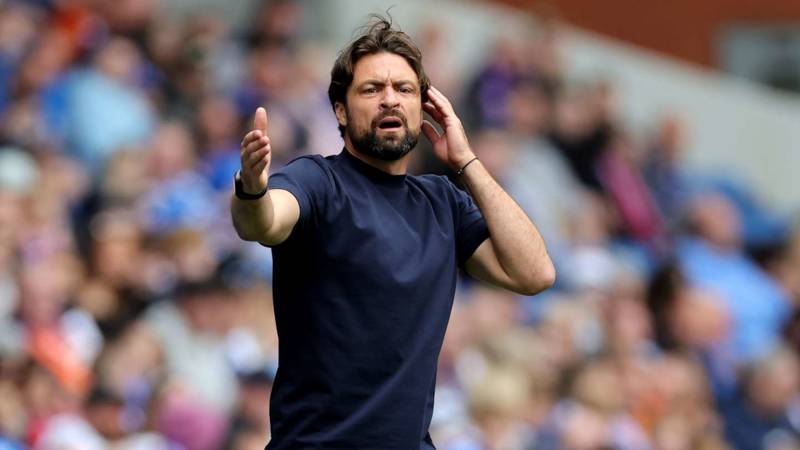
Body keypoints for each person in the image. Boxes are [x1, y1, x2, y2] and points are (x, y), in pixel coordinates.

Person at [230, 17, 555, 450]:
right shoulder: (319, 181)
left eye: (404, 89)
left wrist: (466, 161)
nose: (390, 99)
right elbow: (263, 221)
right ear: (341, 111)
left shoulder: (444, 202)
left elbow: (535, 273)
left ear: (425, 109)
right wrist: (252, 188)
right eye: (371, 89)